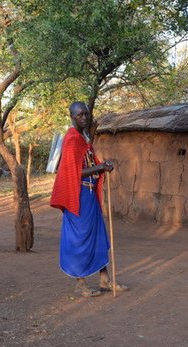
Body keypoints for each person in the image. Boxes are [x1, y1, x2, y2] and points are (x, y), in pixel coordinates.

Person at [50, 101, 128, 297]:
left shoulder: (83, 138)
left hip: (90, 195)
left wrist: (104, 165)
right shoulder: (71, 139)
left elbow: (90, 164)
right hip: (78, 197)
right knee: (80, 239)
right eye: (80, 115)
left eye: (86, 114)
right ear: (72, 117)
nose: (84, 118)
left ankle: (105, 280)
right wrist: (101, 167)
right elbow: (74, 172)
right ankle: (80, 284)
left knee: (99, 236)